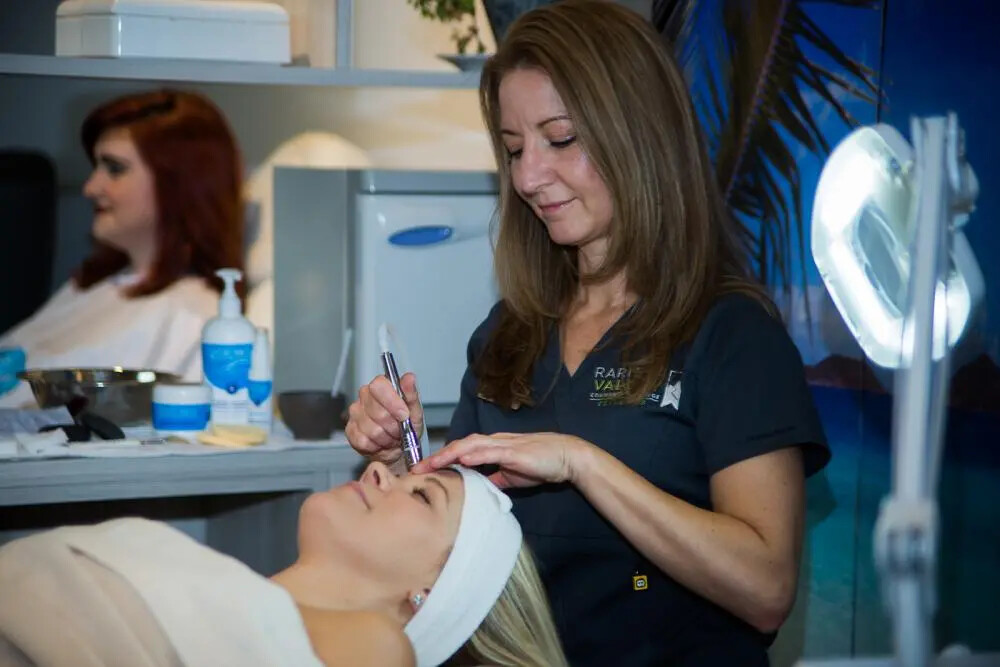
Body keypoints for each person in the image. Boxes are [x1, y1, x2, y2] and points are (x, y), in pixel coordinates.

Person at [345, 1, 831, 665]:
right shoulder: (507, 335)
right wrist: (401, 463)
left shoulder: (731, 336)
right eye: (515, 150)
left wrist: (584, 463)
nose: (528, 177)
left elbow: (766, 586)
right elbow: (459, 550)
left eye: (561, 139)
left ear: (639, 133)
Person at [0, 463, 568, 667]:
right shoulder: (229, 589)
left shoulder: (376, 647)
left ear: (433, 592)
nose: (378, 469)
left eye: (422, 497)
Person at [0, 89, 244, 407]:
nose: (90, 188)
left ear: (179, 183)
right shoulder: (92, 285)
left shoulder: (193, 317)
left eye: (114, 169)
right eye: (96, 167)